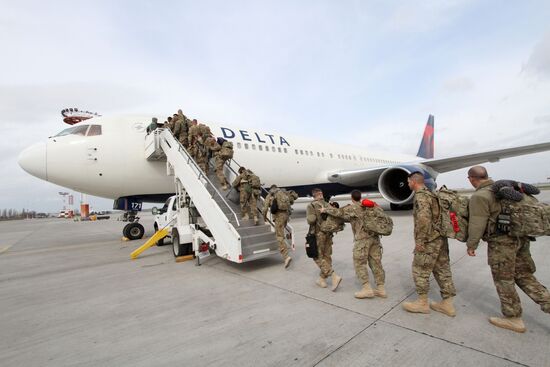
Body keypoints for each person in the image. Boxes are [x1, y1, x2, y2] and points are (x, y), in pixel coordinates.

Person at [466, 166, 550, 333]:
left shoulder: (480, 196)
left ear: (472, 179)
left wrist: (471, 245)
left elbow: (477, 223)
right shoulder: (507, 189)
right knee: (524, 275)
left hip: (501, 244)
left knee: (504, 280)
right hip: (521, 239)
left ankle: (513, 318)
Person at [402, 172, 457, 317]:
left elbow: (424, 219)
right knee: (442, 270)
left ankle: (422, 303)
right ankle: (448, 304)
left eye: (408, 181)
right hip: (440, 238)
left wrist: (420, 241)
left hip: (429, 241)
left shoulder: (421, 196)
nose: (408, 184)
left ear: (413, 182)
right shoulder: (431, 194)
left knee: (419, 270)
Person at [321, 190, 386, 298]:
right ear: (360, 197)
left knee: (360, 263)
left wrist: (325, 209)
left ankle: (367, 289)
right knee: (376, 263)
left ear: (352, 197)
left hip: (362, 240)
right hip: (375, 239)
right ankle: (381, 289)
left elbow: (339, 212)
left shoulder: (353, 208)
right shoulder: (370, 206)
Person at [306, 188, 342, 291]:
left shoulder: (311, 205)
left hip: (318, 234)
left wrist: (312, 215)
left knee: (317, 256)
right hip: (329, 234)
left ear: (313, 195)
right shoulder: (328, 204)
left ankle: (333, 275)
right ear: (321, 194)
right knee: (327, 256)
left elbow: (311, 220)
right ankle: (321, 279)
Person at [262, 184, 297, 268]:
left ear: (271, 189)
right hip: (286, 216)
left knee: (279, 236)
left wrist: (264, 217)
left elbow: (265, 208)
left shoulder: (270, 195)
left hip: (278, 217)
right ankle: (284, 246)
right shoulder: (283, 192)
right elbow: (291, 201)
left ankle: (286, 257)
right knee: (281, 233)